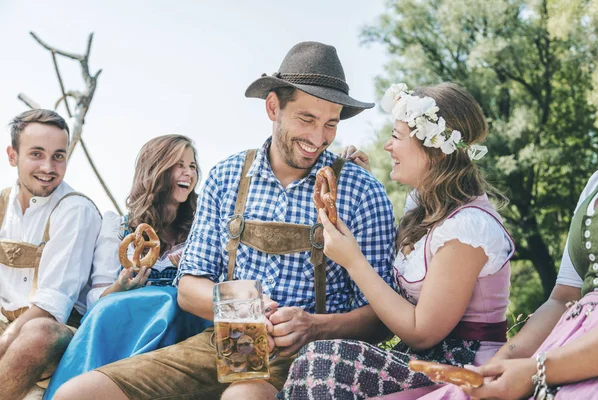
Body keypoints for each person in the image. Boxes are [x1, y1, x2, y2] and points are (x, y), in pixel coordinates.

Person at [53, 41, 397, 400]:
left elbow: (379, 316)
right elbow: (188, 288)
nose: (318, 138)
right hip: (231, 340)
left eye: (330, 124)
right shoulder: (227, 176)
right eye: (306, 119)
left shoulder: (362, 192)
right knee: (78, 393)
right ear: (273, 107)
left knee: (241, 397)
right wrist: (244, 310)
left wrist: (313, 327)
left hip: (311, 355)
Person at [278, 82, 515, 399]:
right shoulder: (426, 207)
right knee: (323, 361)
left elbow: (421, 333)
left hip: (465, 366)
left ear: (432, 149)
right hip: (427, 362)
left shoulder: (467, 229)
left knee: (321, 361)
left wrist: (353, 262)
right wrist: (355, 177)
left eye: (396, 137)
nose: (388, 146)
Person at [47, 135, 212, 398]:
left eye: (192, 166)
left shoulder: (201, 230)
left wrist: (194, 270)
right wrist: (120, 285)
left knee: (172, 298)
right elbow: (95, 301)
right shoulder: (118, 229)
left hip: (184, 328)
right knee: (105, 310)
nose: (188, 173)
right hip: (130, 328)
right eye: (178, 164)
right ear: (156, 169)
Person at [415, 169, 598, 399]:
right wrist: (503, 361)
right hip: (559, 346)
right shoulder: (595, 182)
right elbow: (561, 299)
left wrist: (537, 371)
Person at [0, 109, 102, 399]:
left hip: (57, 334)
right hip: (6, 325)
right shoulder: (2, 204)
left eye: (58, 156)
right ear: (12, 156)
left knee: (38, 333)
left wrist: (5, 339)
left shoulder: (74, 210)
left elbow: (51, 305)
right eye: (36, 154)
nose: (48, 167)